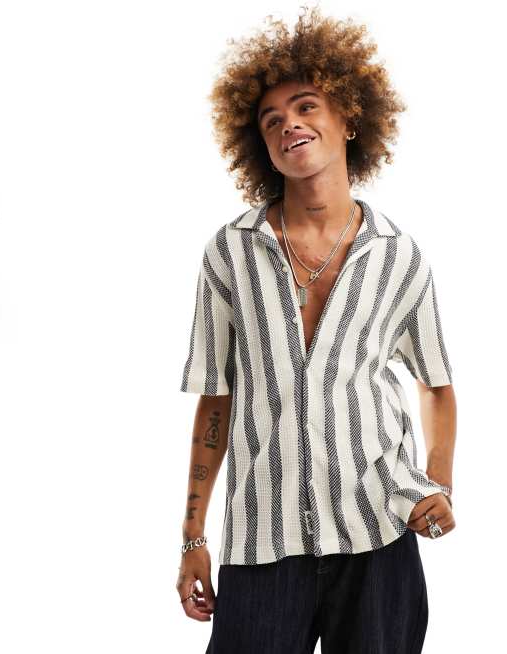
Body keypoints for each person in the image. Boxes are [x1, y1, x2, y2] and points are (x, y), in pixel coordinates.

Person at [176, 7, 457, 653]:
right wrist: (193, 537)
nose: (289, 125)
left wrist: (437, 484)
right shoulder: (229, 253)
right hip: (262, 544)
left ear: (349, 119)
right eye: (271, 120)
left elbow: (436, 385)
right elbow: (215, 399)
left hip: (378, 532)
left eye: (305, 107)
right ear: (260, 144)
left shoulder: (399, 255)